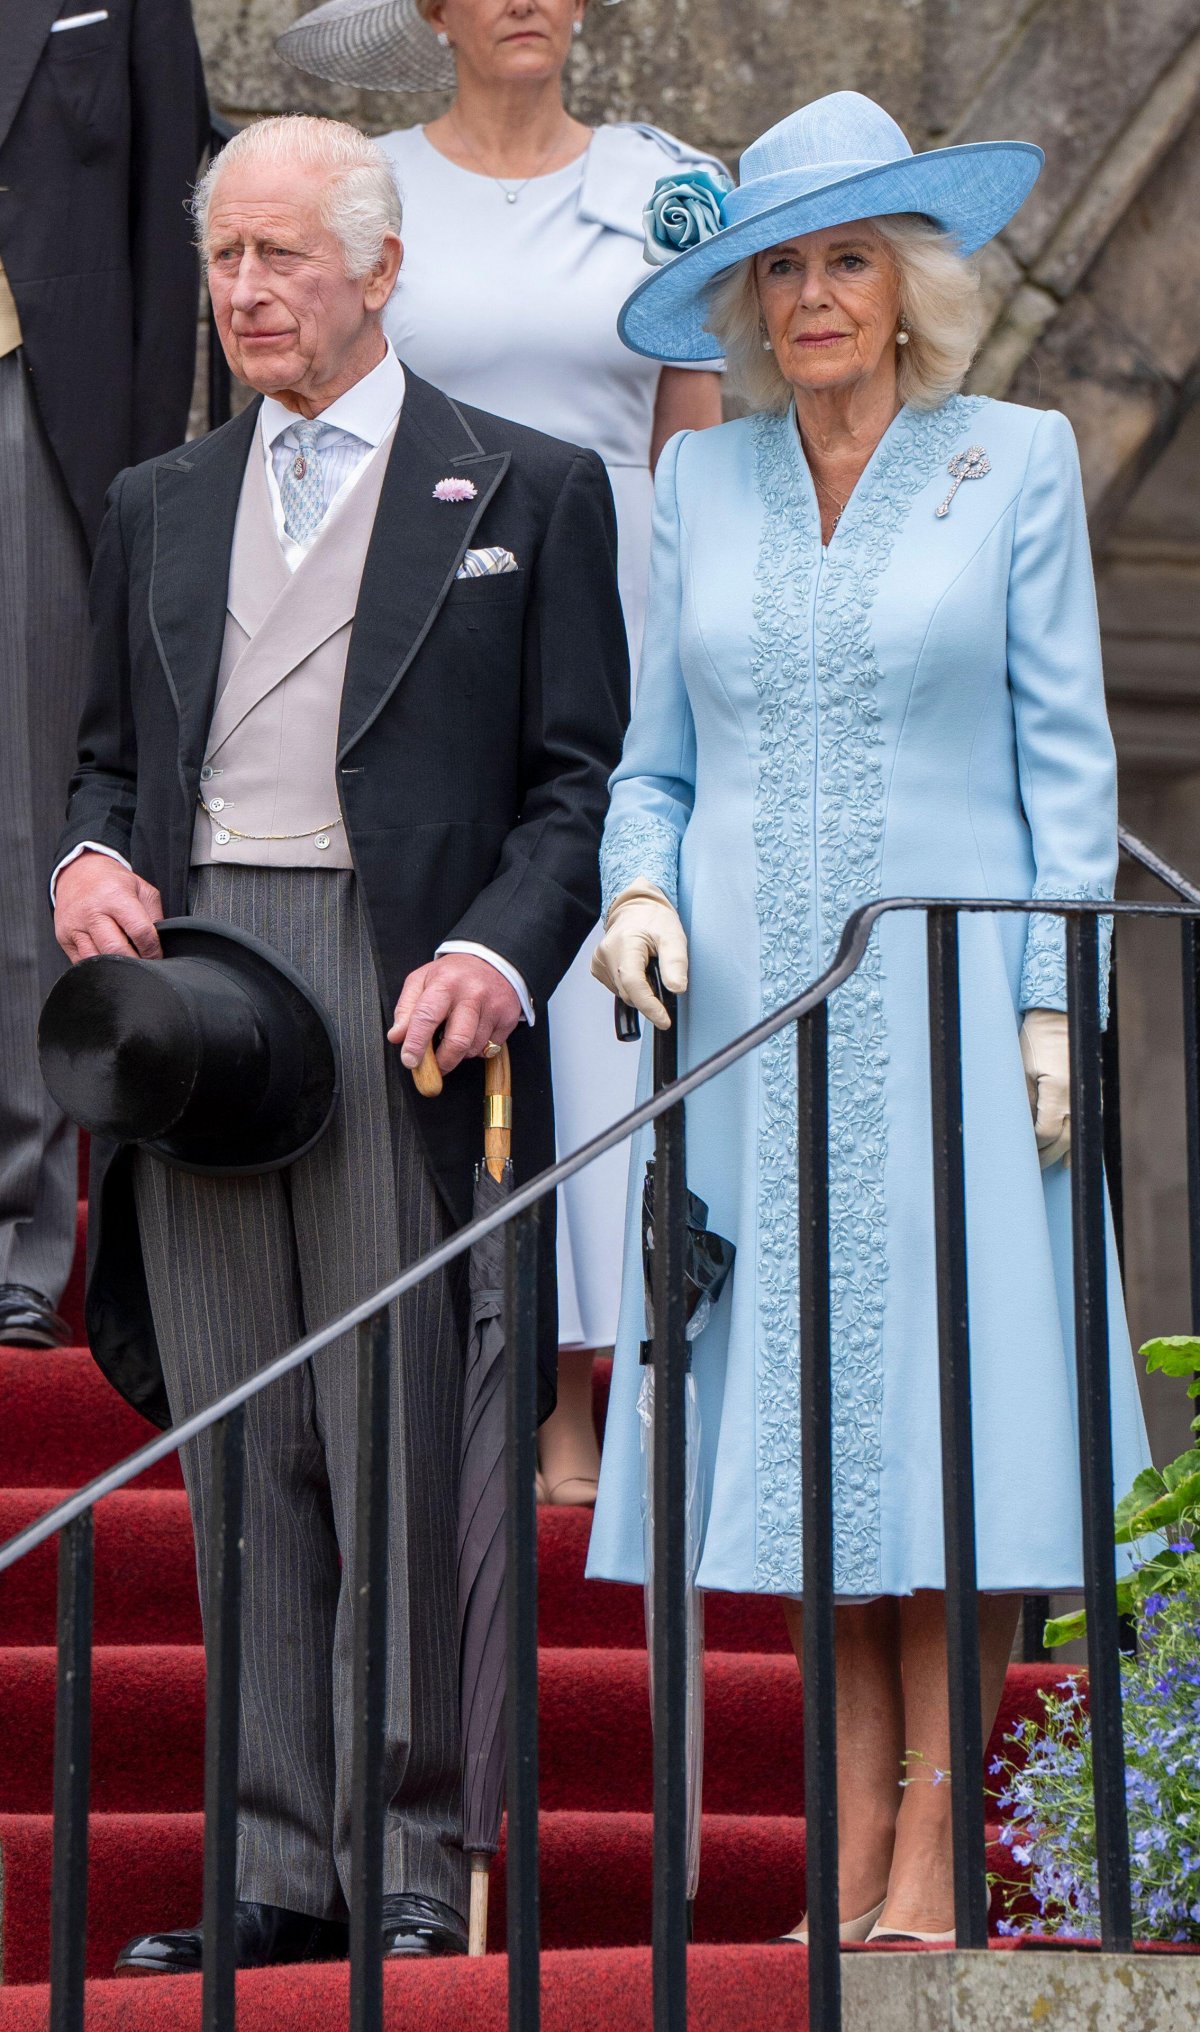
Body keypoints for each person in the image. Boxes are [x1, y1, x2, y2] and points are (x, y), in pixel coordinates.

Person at [52, 113, 627, 1972]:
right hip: (200, 991)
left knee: (388, 1432)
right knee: (244, 1436)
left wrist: (494, 951)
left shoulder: (524, 489)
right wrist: (84, 862)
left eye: (282, 257)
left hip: (401, 994)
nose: (244, 294)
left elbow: (571, 788)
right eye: (225, 260)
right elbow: (102, 769)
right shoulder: (158, 499)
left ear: (381, 269)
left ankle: (406, 1847)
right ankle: (275, 1868)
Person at [587, 91, 1153, 1944]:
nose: (813, 296)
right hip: (754, 1029)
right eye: (782, 267)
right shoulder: (701, 483)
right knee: (812, 1445)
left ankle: (932, 1853)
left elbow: (1070, 775)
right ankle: (843, 1860)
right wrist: (639, 892)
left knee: (953, 1431)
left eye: (848, 260)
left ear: (908, 288)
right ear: (746, 299)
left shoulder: (1019, 461)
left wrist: (1055, 1002)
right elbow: (651, 770)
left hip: (957, 1024)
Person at [277, 0, 725, 1504]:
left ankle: (604, 1391)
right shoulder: (369, 184)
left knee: (610, 998)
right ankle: (491, 1385)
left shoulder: (673, 188)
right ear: (436, 13)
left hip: (628, 602)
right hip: (435, 609)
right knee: (468, 955)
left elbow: (698, 441)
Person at [0, 0, 207, 1349]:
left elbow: (161, 215)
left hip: (33, 414)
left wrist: (133, 495)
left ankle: (18, 1235)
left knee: (27, 840)